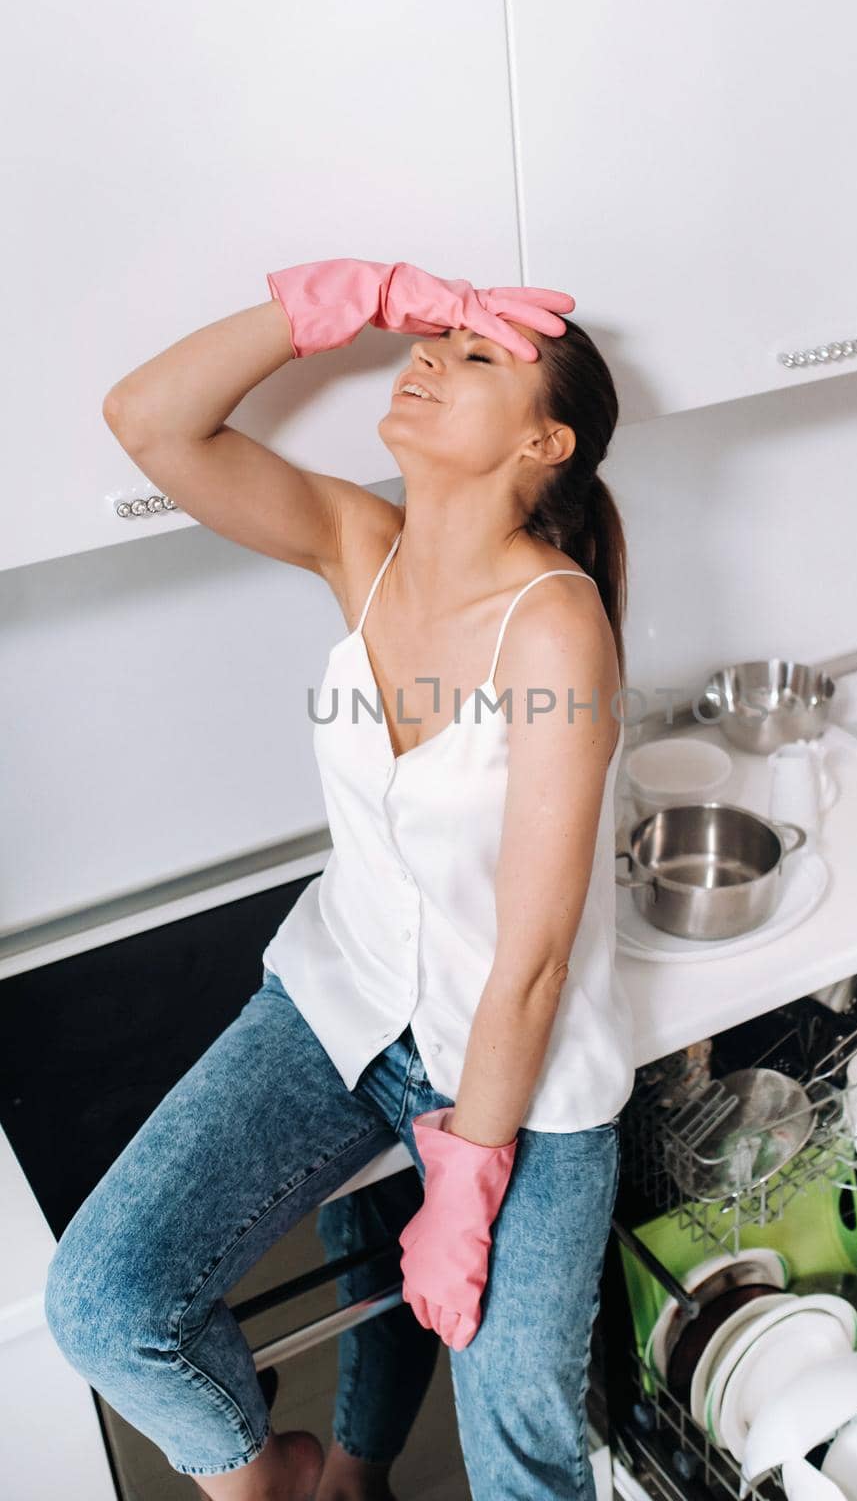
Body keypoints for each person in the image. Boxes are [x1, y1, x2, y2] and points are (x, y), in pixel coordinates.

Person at [43, 258, 637, 1501]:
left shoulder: (554, 621)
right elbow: (149, 421)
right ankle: (283, 1479)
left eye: (475, 358)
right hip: (342, 1001)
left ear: (546, 439)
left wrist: (467, 1186)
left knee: (521, 1450)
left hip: (512, 1069)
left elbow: (528, 965)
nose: (425, 358)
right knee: (106, 1301)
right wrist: (337, 299)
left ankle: (355, 1465)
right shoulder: (356, 543)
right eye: (430, 341)